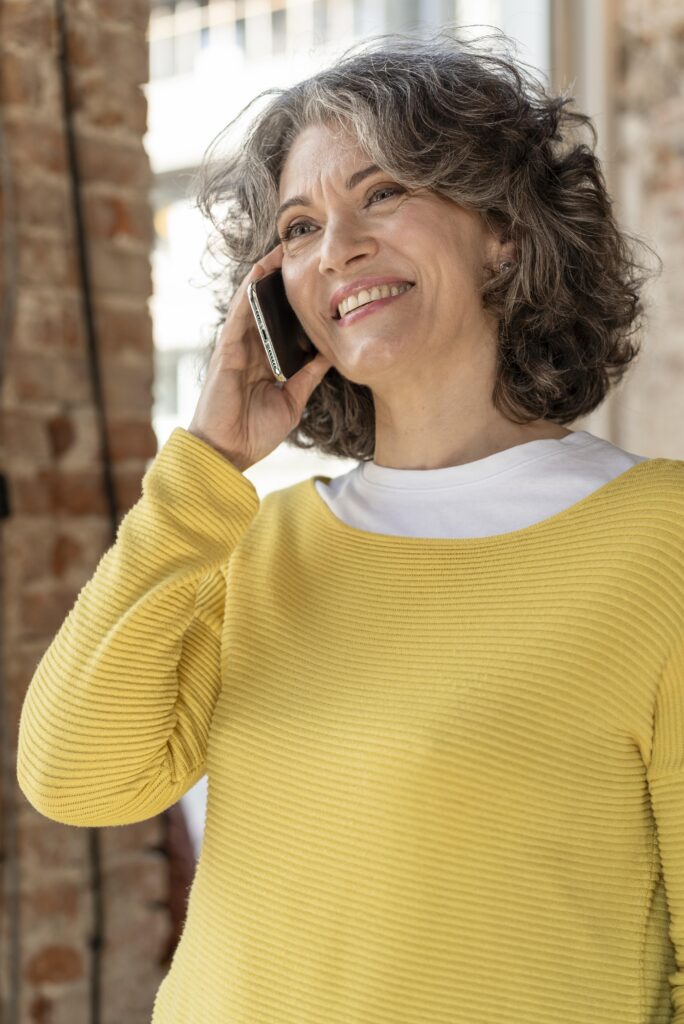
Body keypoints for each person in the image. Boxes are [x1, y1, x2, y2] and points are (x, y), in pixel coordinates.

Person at [17, 27, 684, 1024]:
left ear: (502, 226)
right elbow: (75, 777)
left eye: (382, 193)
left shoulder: (658, 539)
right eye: (296, 227)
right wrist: (206, 465)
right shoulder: (250, 540)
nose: (338, 249)